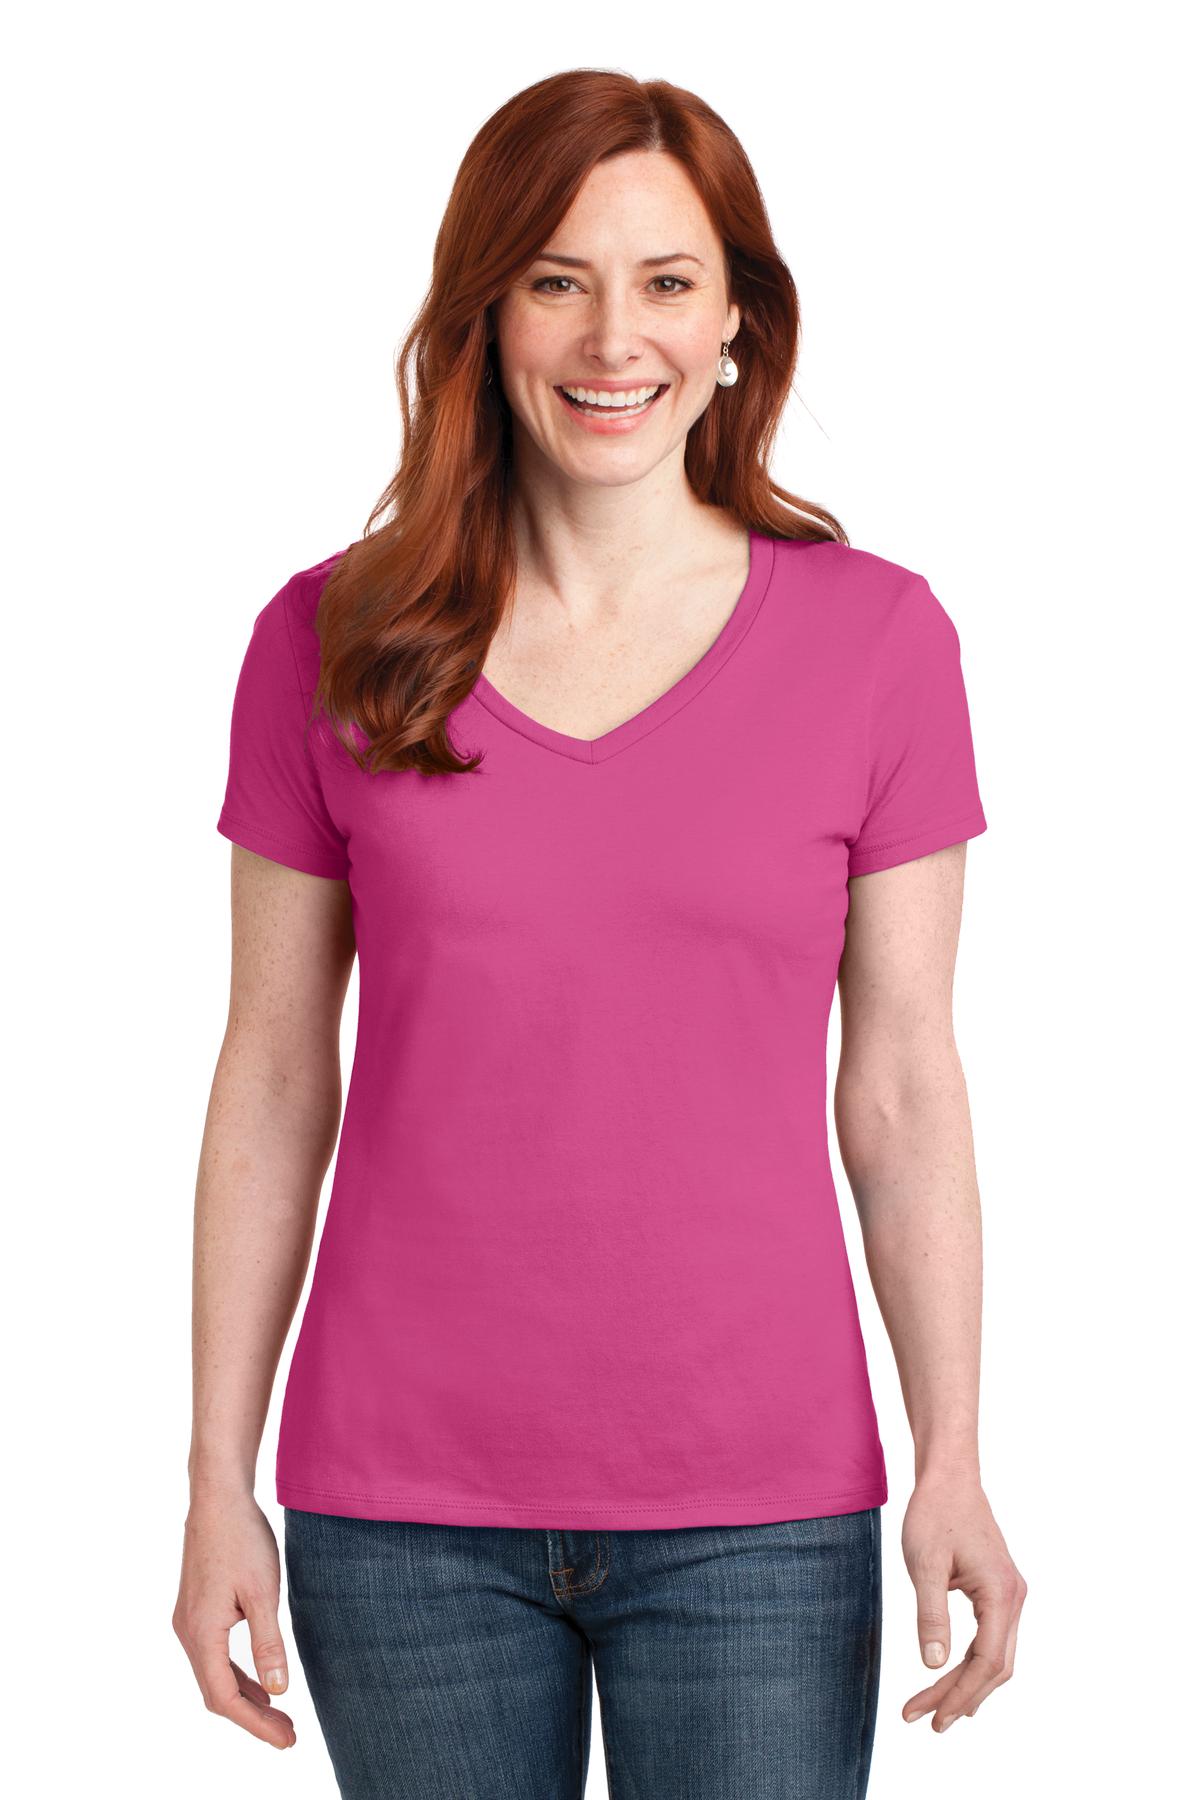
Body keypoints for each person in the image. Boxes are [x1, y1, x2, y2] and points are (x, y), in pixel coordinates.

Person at [173, 68, 1026, 1800]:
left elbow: (903, 1088)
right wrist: (212, 1480)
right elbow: (272, 1074)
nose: (611, 337)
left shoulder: (878, 644)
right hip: (399, 1517)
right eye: (555, 280)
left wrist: (953, 1453)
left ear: (734, 320)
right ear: (485, 314)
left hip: (761, 1515)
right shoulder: (328, 640)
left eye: (665, 281)